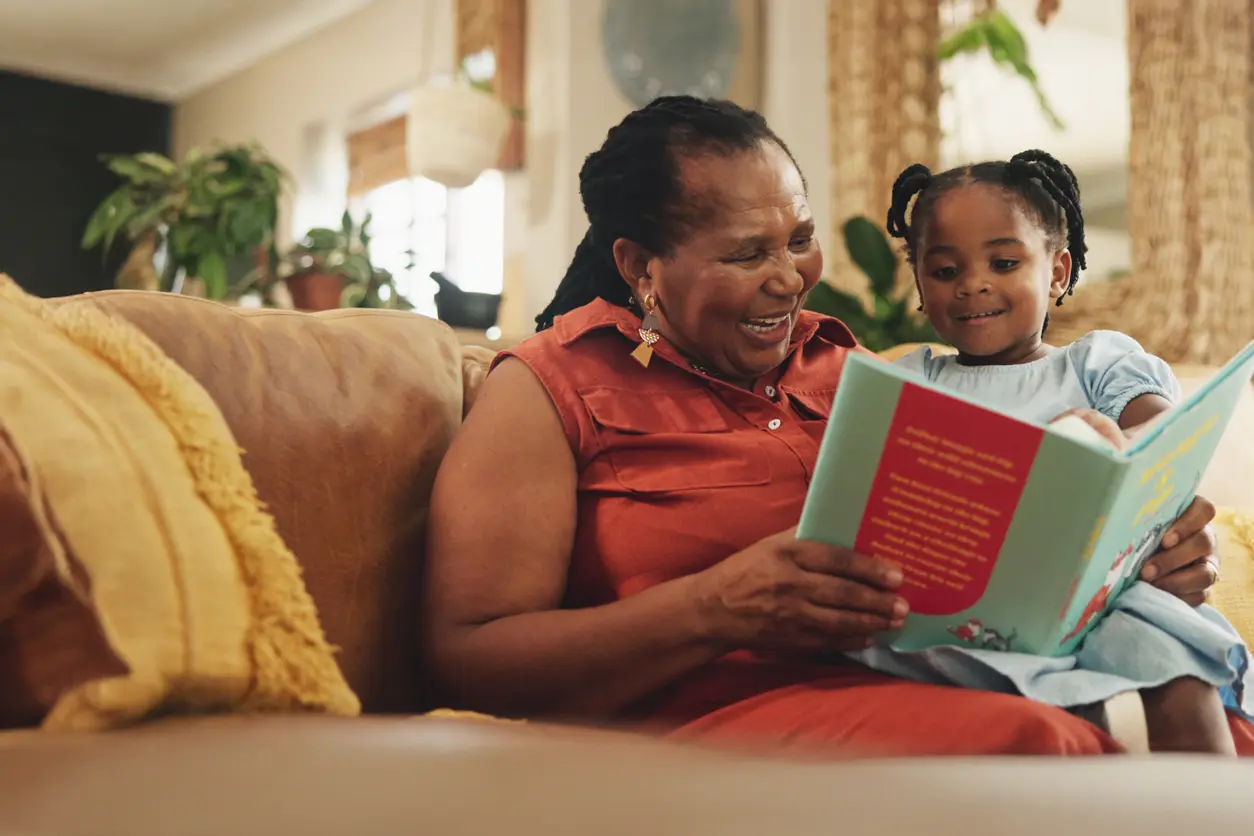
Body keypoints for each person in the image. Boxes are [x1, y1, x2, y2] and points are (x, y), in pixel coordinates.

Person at [421, 96, 1251, 757]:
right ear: (642, 266)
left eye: (802, 240)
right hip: (714, 721)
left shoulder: (851, 364)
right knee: (1045, 745)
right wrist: (714, 608)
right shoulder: (549, 385)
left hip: (936, 679)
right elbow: (470, 657)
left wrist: (1143, 547)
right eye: (748, 255)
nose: (791, 280)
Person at [845, 150, 1252, 754]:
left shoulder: (1096, 363)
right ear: (922, 288)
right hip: (967, 607)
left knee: (1180, 675)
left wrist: (1096, 442)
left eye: (1004, 262)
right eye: (944, 271)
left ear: (1057, 272)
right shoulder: (911, 379)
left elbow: (1163, 444)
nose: (973, 283)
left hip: (1105, 598)